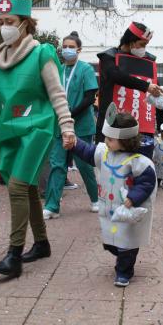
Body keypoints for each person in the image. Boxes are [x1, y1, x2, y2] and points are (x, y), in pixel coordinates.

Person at [0, 0, 75, 279]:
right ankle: (42, 243)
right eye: (2, 23)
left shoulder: (41, 53)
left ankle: (14, 255)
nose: (6, 27)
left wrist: (67, 127)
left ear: (25, 23)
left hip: (38, 128)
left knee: (17, 185)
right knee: (27, 186)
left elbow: (57, 94)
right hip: (10, 128)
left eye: (11, 22)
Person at [70, 105, 156, 287]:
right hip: (110, 210)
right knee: (112, 241)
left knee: (127, 243)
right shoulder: (105, 153)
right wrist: (75, 143)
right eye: (106, 138)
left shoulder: (139, 163)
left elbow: (146, 183)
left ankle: (124, 272)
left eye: (111, 139)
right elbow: (88, 151)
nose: (106, 142)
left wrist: (133, 197)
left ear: (126, 140)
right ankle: (123, 256)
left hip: (127, 210)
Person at [43, 31, 99, 220]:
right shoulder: (57, 69)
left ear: (79, 50)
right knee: (57, 165)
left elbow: (89, 98)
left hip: (81, 126)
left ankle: (95, 199)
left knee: (84, 165)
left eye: (71, 47)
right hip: (59, 126)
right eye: (64, 46)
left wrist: (68, 115)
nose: (67, 50)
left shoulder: (86, 69)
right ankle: (52, 206)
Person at [96, 22, 163, 159]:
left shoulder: (148, 61)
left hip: (141, 130)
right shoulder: (109, 57)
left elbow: (157, 97)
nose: (144, 49)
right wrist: (146, 86)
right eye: (142, 44)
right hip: (113, 126)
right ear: (131, 42)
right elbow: (116, 76)